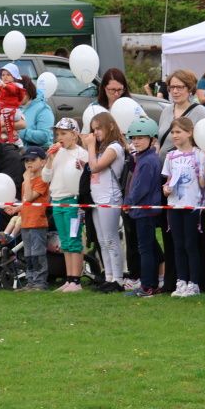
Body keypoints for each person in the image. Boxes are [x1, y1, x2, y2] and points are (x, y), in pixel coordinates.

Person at [163, 117, 205, 298]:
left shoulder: (199, 154)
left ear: (189, 133)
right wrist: (166, 189)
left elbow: (203, 183)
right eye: (172, 132)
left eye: (178, 132)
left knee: (191, 244)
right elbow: (168, 181)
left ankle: (194, 283)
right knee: (178, 245)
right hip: (174, 205)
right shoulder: (170, 156)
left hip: (192, 206)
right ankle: (181, 280)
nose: (174, 135)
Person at [43, 118, 88, 291]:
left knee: (73, 239)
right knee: (65, 242)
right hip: (57, 200)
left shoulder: (81, 153)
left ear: (74, 135)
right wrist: (49, 159)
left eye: (63, 133)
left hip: (72, 201)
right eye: (57, 134)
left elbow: (85, 177)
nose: (59, 138)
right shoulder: (57, 153)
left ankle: (76, 280)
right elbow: (46, 178)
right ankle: (69, 279)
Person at [85, 113, 127, 292]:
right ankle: (108, 276)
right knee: (102, 240)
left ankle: (118, 279)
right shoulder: (101, 148)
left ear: (109, 126)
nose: (95, 133)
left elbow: (95, 166)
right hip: (97, 197)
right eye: (93, 129)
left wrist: (90, 146)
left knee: (111, 239)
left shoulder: (114, 147)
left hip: (109, 197)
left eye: (98, 128)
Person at [123, 117, 164, 297]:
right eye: (134, 138)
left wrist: (129, 201)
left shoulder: (148, 160)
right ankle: (152, 283)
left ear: (152, 139)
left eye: (141, 138)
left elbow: (142, 187)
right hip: (143, 210)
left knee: (145, 250)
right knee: (149, 248)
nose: (136, 141)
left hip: (145, 210)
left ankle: (147, 286)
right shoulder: (143, 158)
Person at [18, 146, 51, 290]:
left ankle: (40, 282)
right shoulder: (27, 182)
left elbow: (30, 197)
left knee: (38, 254)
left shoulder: (41, 180)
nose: (29, 163)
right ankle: (30, 281)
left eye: (33, 159)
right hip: (26, 223)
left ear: (43, 162)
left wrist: (26, 179)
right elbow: (25, 201)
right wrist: (16, 209)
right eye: (26, 160)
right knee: (28, 255)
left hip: (37, 223)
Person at [17, 76, 54, 148]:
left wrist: (20, 131)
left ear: (27, 92)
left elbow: (44, 136)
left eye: (19, 93)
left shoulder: (43, 109)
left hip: (37, 152)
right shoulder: (17, 107)